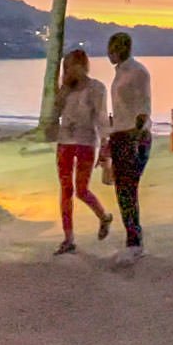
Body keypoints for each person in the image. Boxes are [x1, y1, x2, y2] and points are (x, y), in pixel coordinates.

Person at [54, 48, 114, 255]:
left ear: (83, 65)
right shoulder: (65, 90)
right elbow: (55, 114)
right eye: (68, 66)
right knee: (65, 190)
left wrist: (106, 143)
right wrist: (60, 95)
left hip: (86, 142)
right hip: (65, 142)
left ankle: (103, 216)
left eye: (74, 65)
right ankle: (68, 237)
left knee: (81, 189)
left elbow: (101, 116)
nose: (71, 70)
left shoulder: (96, 88)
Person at [106, 32, 151, 262]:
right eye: (110, 46)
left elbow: (144, 108)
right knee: (122, 191)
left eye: (114, 47)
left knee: (128, 189)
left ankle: (135, 242)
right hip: (119, 136)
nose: (110, 51)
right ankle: (132, 239)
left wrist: (135, 139)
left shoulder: (137, 72)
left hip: (133, 137)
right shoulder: (119, 73)